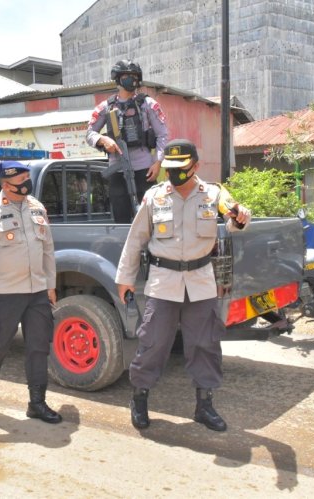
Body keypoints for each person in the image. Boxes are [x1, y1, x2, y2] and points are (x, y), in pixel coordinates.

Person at [115, 139, 252, 432]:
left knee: (205, 345)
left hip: (201, 282)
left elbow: (234, 220)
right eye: (169, 168)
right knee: (153, 343)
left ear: (196, 166)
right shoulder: (155, 197)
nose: (174, 174)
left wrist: (241, 216)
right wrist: (125, 277)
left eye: (180, 168)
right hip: (164, 282)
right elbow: (136, 238)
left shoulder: (213, 194)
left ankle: (204, 405)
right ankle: (139, 399)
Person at [0, 160, 61, 424]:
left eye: (27, 179)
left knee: (39, 347)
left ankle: (37, 403)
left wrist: (50, 285)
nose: (27, 185)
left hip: (37, 292)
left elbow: (48, 250)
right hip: (5, 293)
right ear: (5, 185)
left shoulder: (37, 207)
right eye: (21, 182)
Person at [86, 59, 169, 223]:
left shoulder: (148, 104)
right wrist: (102, 139)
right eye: (127, 76)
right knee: (121, 219)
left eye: (134, 76)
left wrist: (158, 162)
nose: (132, 80)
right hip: (117, 171)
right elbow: (89, 133)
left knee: (150, 218)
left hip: (145, 170)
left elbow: (163, 135)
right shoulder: (105, 107)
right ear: (117, 78)